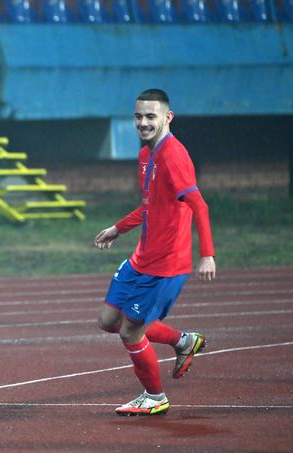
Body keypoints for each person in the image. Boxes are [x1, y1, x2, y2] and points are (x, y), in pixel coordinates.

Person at [93, 89, 216, 416]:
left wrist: (207, 254)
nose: (143, 123)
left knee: (131, 331)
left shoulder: (173, 156)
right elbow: (153, 206)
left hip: (166, 264)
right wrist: (118, 228)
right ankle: (183, 341)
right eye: (138, 116)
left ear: (167, 117)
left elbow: (199, 206)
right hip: (142, 257)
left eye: (151, 116)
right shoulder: (146, 155)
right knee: (108, 320)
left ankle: (154, 396)